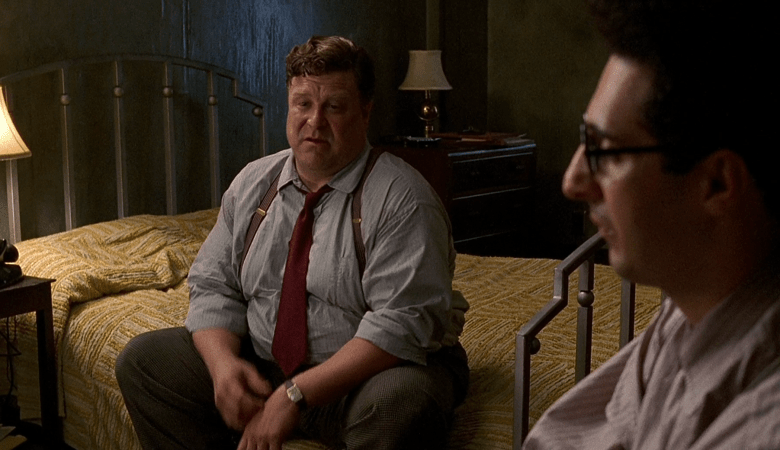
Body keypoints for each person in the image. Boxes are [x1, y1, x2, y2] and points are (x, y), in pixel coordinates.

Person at [116, 35, 469, 450]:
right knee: (144, 362)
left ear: (365, 112)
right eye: (303, 104)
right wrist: (224, 367)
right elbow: (214, 285)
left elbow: (401, 323)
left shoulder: (402, 197)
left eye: (334, 107)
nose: (314, 121)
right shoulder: (253, 184)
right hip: (267, 369)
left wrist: (295, 395)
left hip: (365, 376)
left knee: (400, 403)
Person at [524, 0, 779, 448]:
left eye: (607, 151)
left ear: (717, 183)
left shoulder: (762, 422)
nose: (573, 182)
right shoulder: (686, 316)